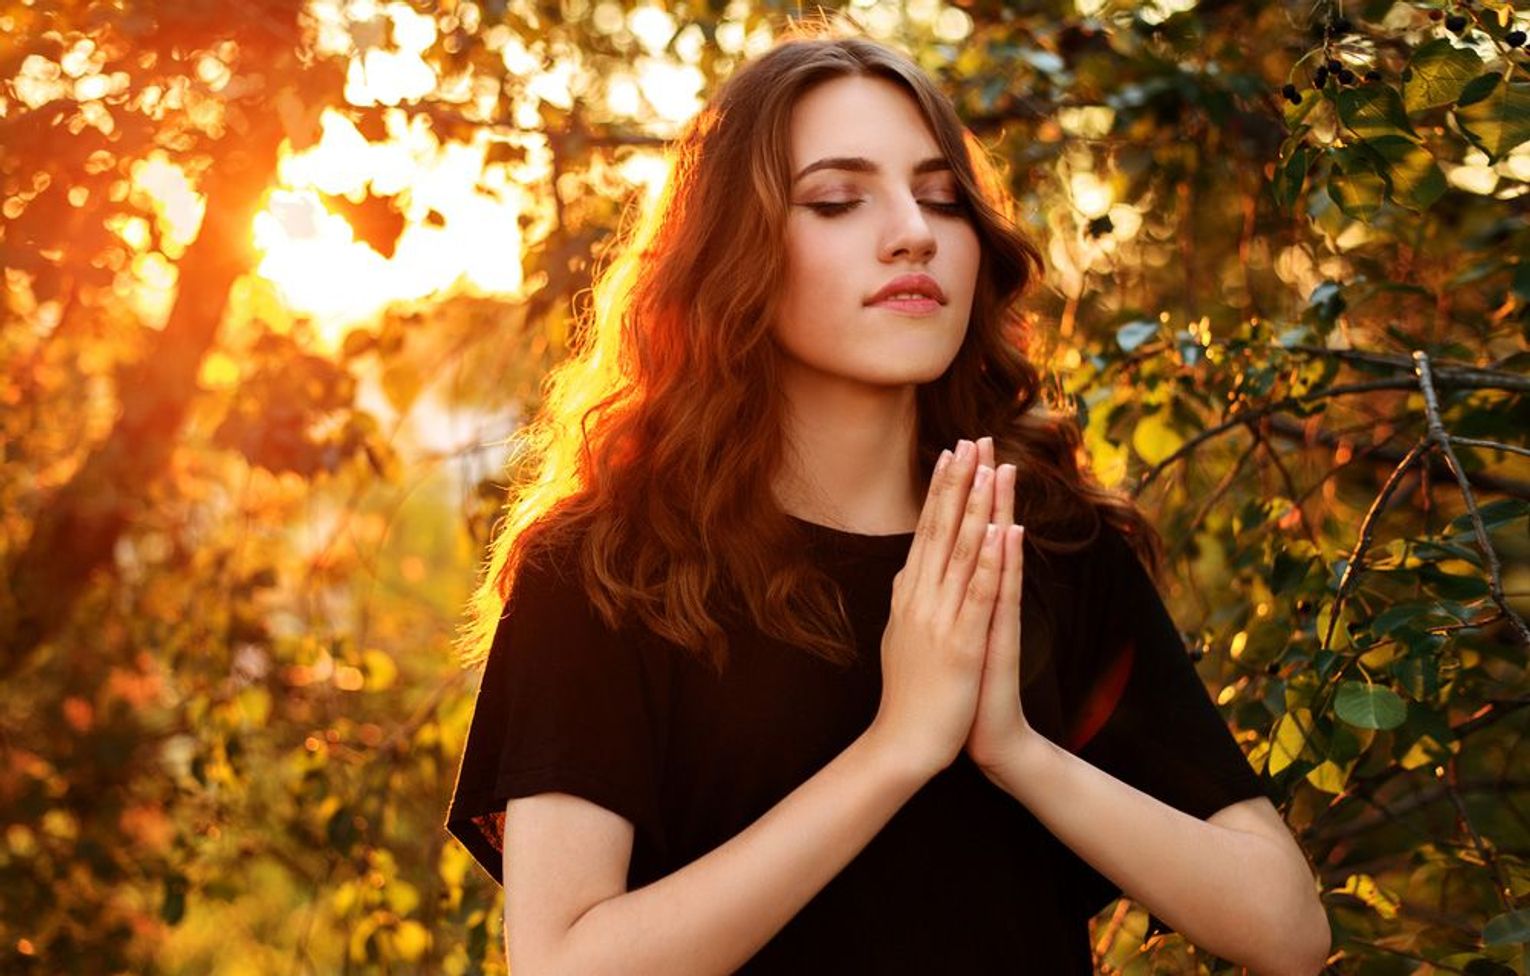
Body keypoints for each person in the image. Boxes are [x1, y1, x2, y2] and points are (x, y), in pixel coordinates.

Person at [444, 21, 1330, 976]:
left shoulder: (1050, 545)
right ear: (734, 250)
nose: (914, 230)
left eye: (942, 198)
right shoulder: (611, 569)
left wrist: (1015, 750)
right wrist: (896, 748)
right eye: (836, 199)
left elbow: (1287, 927)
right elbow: (564, 964)